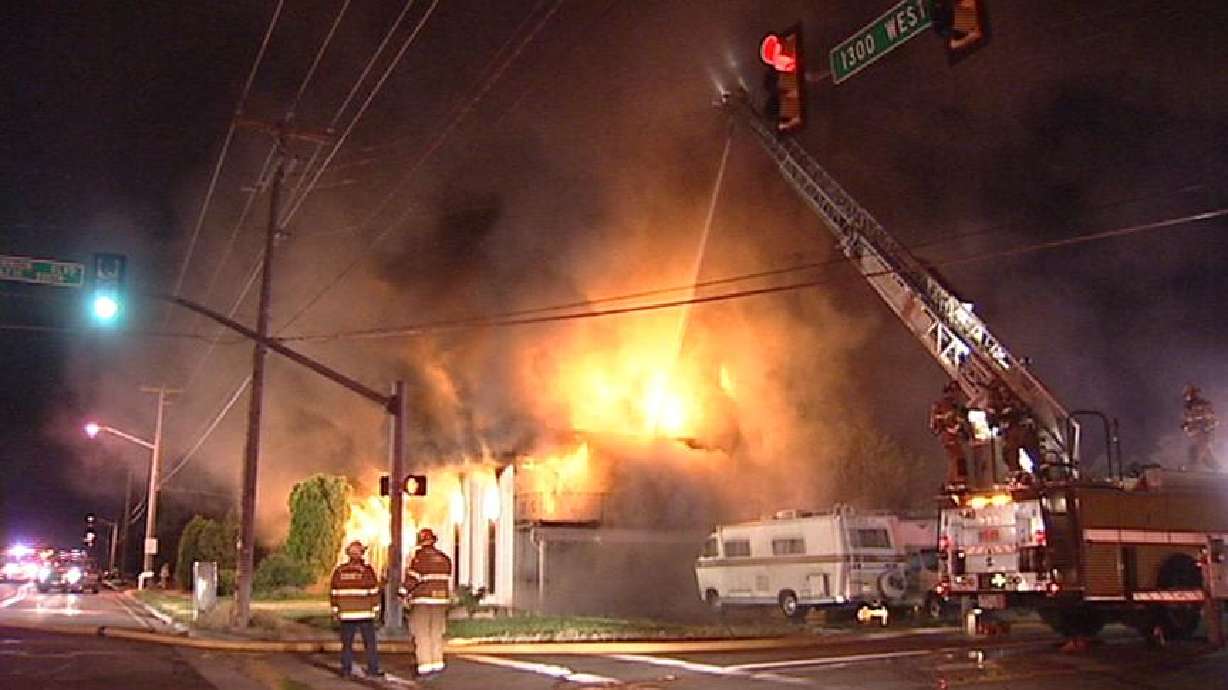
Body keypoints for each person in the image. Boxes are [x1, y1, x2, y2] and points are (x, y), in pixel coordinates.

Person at [329, 540, 383, 679]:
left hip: (346, 614)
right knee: (370, 643)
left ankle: (346, 670)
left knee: (347, 644)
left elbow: (334, 593)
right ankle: (373, 669)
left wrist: (336, 611)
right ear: (360, 554)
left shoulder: (339, 571)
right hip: (365, 613)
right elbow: (374, 591)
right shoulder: (367, 571)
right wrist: (376, 609)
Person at [403, 528, 453, 678]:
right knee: (436, 632)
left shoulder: (419, 559)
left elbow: (413, 580)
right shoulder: (444, 558)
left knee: (422, 633)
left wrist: (401, 593)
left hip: (423, 601)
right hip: (441, 600)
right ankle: (437, 663)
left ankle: (425, 667)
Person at [987, 381, 1040, 482]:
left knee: (1027, 445)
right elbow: (993, 420)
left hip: (1017, 431)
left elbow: (1021, 411)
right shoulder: (993, 404)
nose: (1003, 393)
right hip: (1009, 433)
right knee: (1012, 451)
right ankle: (1018, 472)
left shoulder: (1013, 402)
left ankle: (1035, 470)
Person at [930, 381, 970, 488]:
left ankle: (959, 481)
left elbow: (960, 420)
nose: (957, 395)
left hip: (953, 436)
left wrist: (963, 431)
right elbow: (936, 422)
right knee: (955, 457)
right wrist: (948, 428)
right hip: (947, 436)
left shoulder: (955, 406)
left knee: (959, 457)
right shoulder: (940, 405)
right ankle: (954, 482)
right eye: (955, 392)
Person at [1182, 385, 1219, 470]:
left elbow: (1212, 418)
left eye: (1188, 394)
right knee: (1205, 454)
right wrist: (1185, 426)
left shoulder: (1203, 404)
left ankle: (1192, 467)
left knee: (1198, 451)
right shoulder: (1187, 407)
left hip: (1202, 432)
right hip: (1194, 434)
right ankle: (1218, 469)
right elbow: (1188, 420)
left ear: (1193, 393)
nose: (1186, 396)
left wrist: (1207, 428)